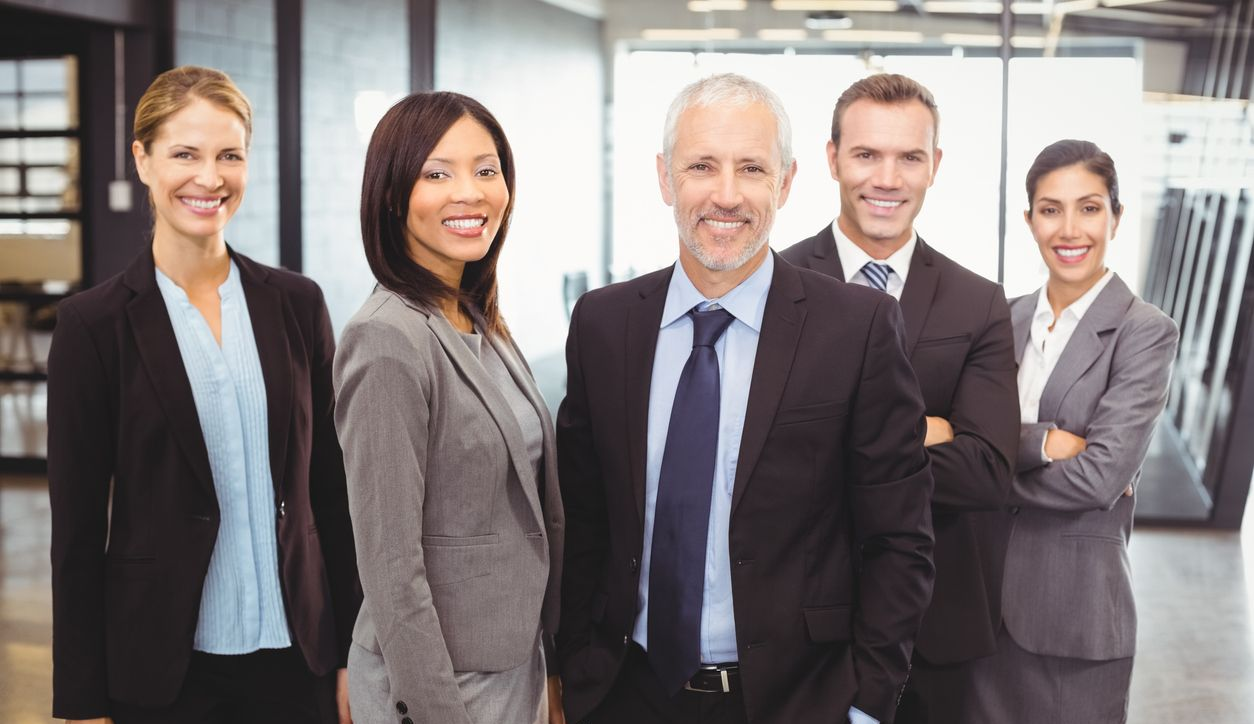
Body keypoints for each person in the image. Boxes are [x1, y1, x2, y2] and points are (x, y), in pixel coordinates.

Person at [555, 72, 935, 724]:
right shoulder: (603, 325)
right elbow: (585, 521)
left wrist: (868, 703)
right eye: (702, 165)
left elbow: (898, 539)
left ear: (785, 183)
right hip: (628, 693)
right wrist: (573, 675)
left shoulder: (858, 327)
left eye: (751, 169)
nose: (726, 195)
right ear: (665, 178)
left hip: (797, 701)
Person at [47, 66, 360, 724]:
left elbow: (333, 493)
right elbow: (75, 532)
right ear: (142, 158)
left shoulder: (298, 305)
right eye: (185, 154)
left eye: (230, 156)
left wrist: (354, 652)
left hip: (297, 657)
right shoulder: (93, 327)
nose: (210, 178)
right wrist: (81, 700)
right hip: (162, 672)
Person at [780, 73, 1018, 723]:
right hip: (802, 625)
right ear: (832, 159)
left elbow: (988, 473)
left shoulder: (978, 303)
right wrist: (921, 432)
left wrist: (841, 442)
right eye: (866, 155)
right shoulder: (775, 287)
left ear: (934, 166)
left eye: (909, 156)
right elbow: (761, 460)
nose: (887, 178)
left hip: (938, 632)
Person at [332, 91, 564, 724]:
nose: (470, 192)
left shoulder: (475, 314)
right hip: (444, 687)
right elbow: (390, 566)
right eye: (437, 173)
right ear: (390, 194)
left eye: (486, 170)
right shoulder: (386, 339)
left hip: (514, 666)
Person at [967, 139, 1179, 723]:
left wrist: (985, 467)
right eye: (1050, 208)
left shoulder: (1144, 333)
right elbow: (964, 443)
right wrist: (1041, 443)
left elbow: (1098, 479)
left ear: (1116, 215)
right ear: (1030, 218)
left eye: (1088, 207)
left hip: (1074, 616)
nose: (1070, 228)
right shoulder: (999, 320)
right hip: (979, 609)